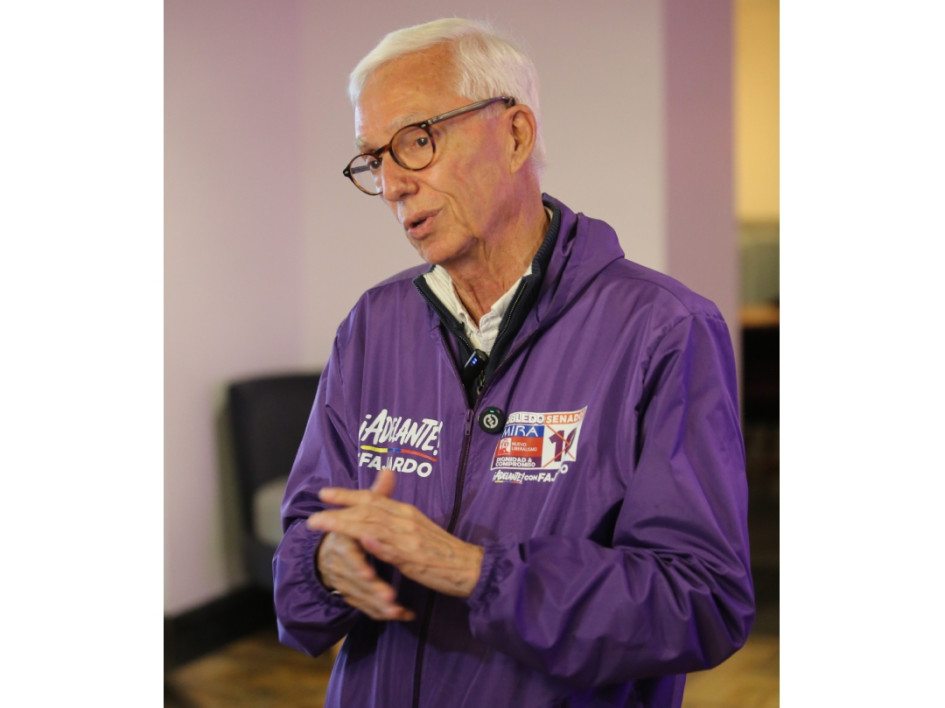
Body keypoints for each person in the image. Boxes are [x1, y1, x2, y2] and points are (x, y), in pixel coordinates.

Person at [273, 17, 754, 708]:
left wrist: (474, 571)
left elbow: (701, 600)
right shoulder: (372, 326)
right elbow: (299, 552)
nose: (391, 185)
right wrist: (327, 565)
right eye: (373, 158)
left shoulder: (663, 329)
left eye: (415, 141)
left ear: (516, 134)